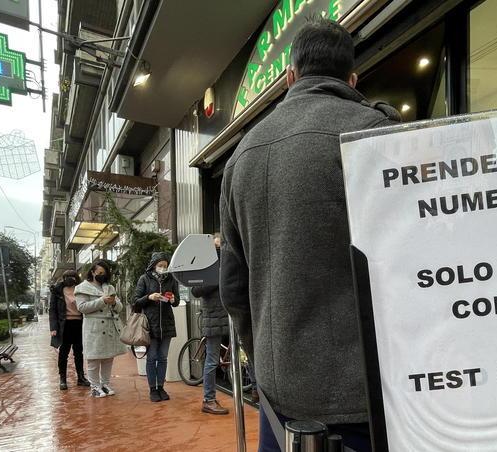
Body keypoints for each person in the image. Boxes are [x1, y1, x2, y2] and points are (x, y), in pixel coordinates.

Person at [219, 18, 399, 452]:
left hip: (281, 398)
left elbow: (233, 288)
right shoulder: (378, 134)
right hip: (370, 393)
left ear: (290, 76)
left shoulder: (241, 156)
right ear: (352, 79)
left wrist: (265, 356)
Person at [74, 260, 127, 398]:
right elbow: (82, 307)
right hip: (94, 327)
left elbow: (120, 307)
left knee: (108, 358)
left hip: (109, 326)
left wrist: (114, 302)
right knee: (93, 359)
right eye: (100, 273)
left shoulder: (109, 287)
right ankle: (94, 386)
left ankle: (105, 384)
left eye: (105, 273)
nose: (102, 275)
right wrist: (102, 300)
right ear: (92, 272)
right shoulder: (82, 287)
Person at [132, 252, 180, 403]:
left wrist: (173, 299)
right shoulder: (144, 279)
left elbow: (177, 301)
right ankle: (153, 389)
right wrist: (149, 297)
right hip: (150, 324)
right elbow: (135, 301)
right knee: (152, 358)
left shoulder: (171, 279)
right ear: (153, 265)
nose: (163, 268)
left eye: (165, 266)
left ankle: (161, 387)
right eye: (160, 265)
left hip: (167, 324)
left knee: (163, 357)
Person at [191, 234, 230, 415]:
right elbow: (195, 290)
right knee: (212, 360)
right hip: (214, 316)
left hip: (233, 313)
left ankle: (255, 390)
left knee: (248, 355)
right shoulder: (205, 265)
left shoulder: (232, 262)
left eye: (221, 246)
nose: (219, 249)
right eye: (216, 246)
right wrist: (217, 277)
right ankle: (208, 399)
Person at [49, 269, 89, 390]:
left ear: (76, 278)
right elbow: (52, 310)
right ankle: (62, 379)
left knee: (79, 352)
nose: (70, 279)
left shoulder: (81, 289)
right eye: (67, 277)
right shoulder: (57, 290)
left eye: (72, 276)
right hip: (64, 325)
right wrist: (53, 328)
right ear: (63, 278)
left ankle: (81, 378)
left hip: (79, 324)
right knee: (63, 353)